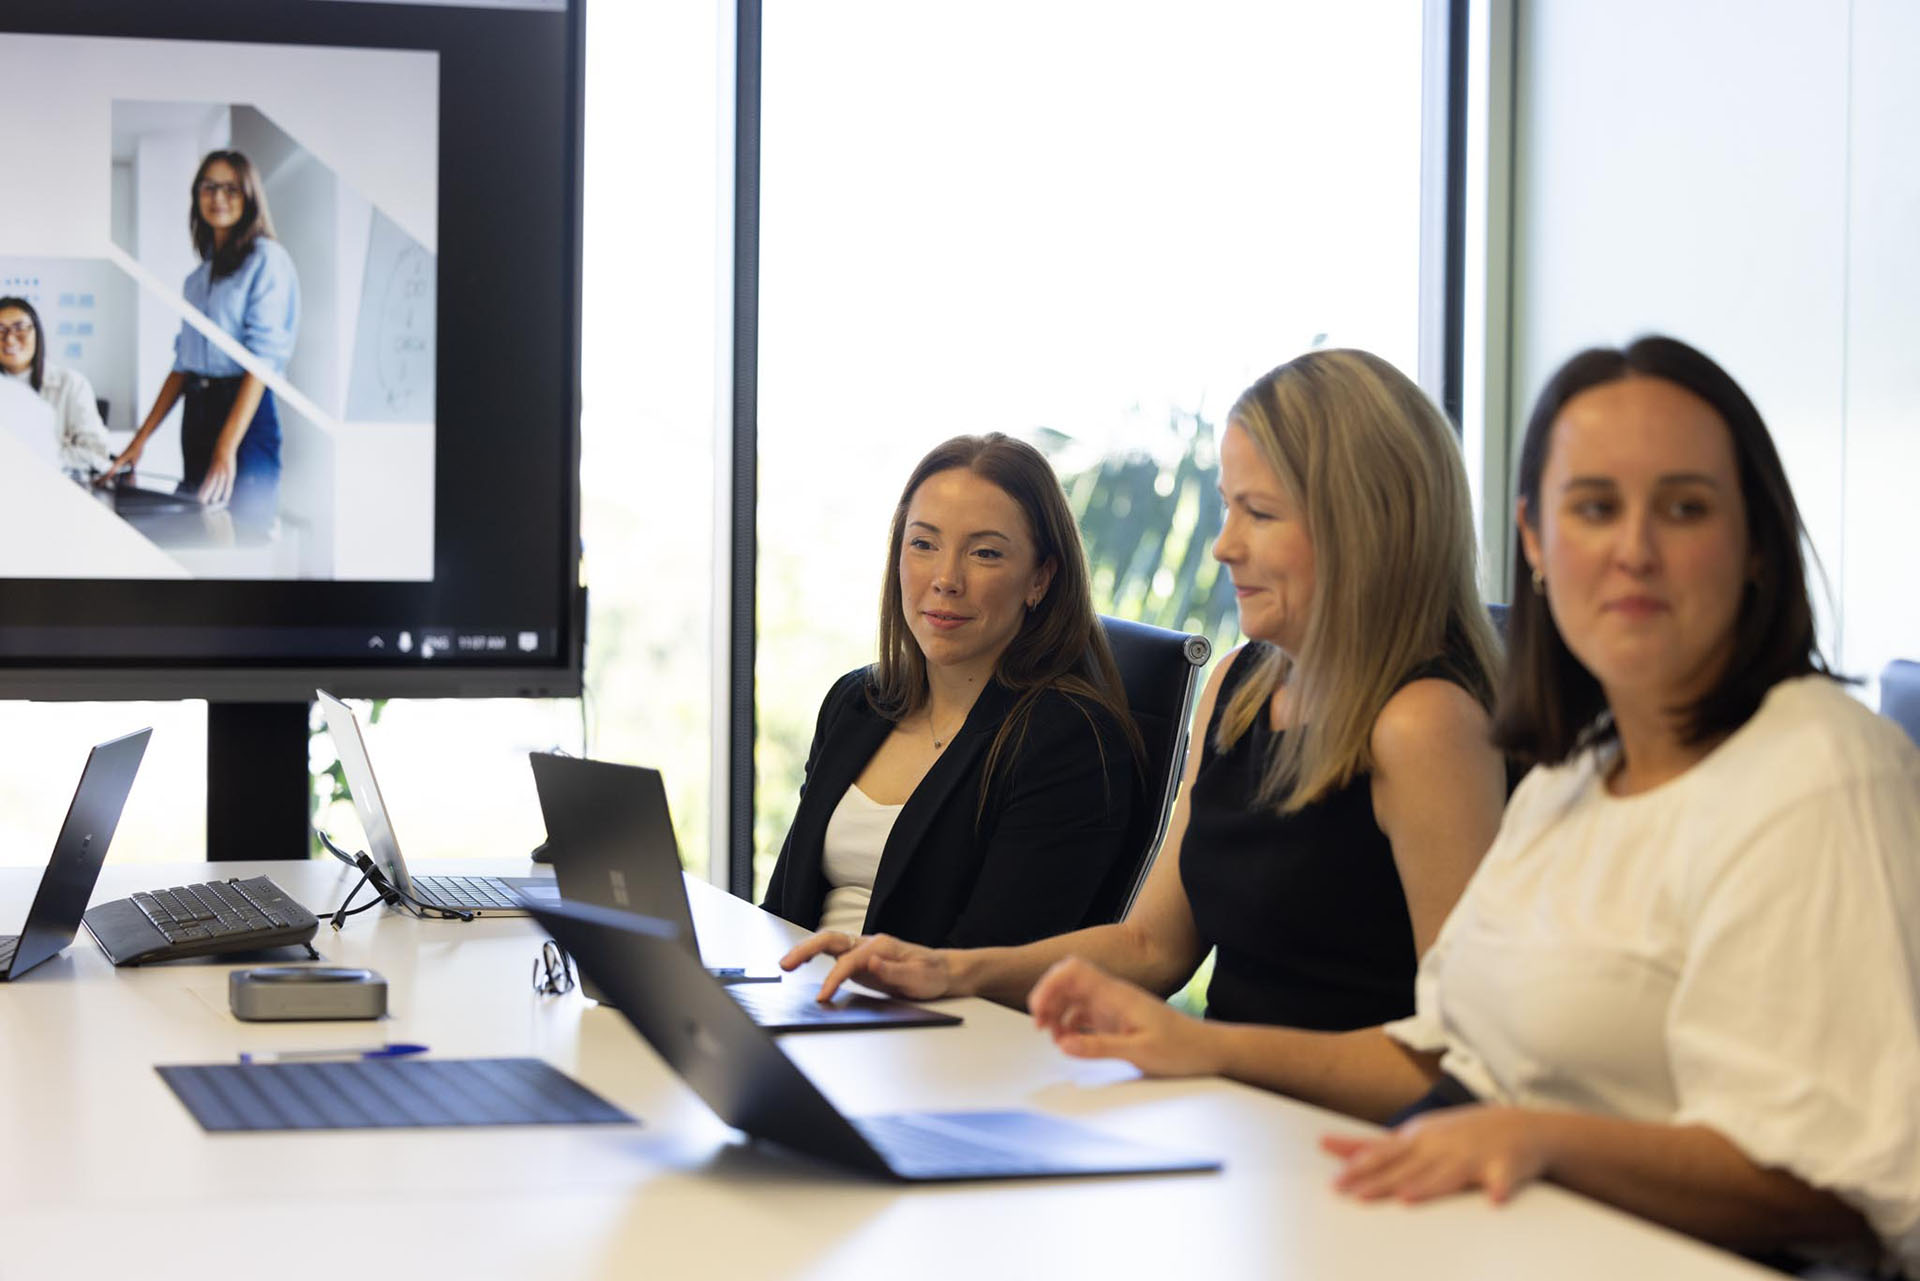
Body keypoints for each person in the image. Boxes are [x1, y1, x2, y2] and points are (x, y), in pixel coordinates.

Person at [1025, 336, 1920, 1275]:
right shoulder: (1580, 776)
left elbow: (1851, 1195)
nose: (1634, 550)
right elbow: (1442, 1051)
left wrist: (1541, 1139)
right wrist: (1195, 1046)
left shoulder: (1822, 771)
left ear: (1757, 545)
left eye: (1686, 508)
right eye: (1594, 508)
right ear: (1537, 542)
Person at [784, 349, 1509, 1032]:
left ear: (1366, 522)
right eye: (1227, 508)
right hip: (1240, 1110)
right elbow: (1153, 946)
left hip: (1342, 1142)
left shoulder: (1426, 724)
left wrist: (1201, 1050)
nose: (1223, 545)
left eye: (1258, 513)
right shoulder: (1239, 685)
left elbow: (1461, 1045)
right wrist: (948, 969)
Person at [760, 432, 1145, 948]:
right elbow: (782, 908)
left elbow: (994, 962)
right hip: (798, 1001)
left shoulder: (1069, 742)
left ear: (1040, 579)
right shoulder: (857, 702)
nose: (946, 578)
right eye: (923, 544)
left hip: (929, 1022)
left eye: (985, 553)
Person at [102, 149, 298, 533]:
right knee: (201, 536)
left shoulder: (267, 259)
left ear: (249, 196)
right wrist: (138, 441)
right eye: (209, 187)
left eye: (230, 189)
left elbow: (261, 363)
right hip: (198, 412)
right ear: (197, 196)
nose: (218, 197)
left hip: (243, 412)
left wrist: (226, 447)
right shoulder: (198, 278)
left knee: (243, 539)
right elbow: (182, 366)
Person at [0, 295, 112, 474]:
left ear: (36, 332)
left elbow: (97, 454)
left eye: (19, 328)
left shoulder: (72, 384)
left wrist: (31, 459)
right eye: (1, 329)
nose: (10, 339)